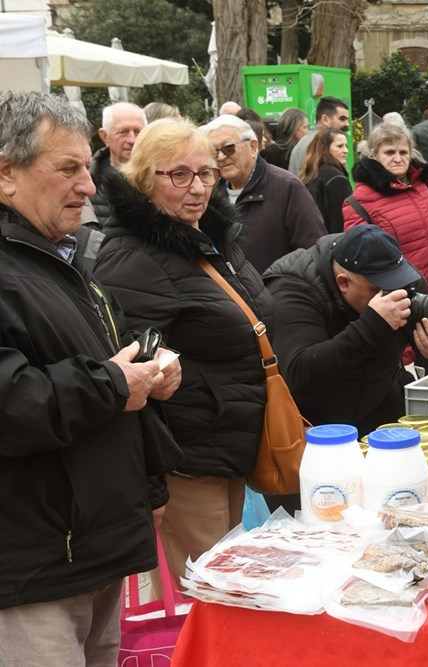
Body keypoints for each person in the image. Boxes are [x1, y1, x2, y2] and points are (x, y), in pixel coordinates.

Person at [0, 91, 181, 663]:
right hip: (35, 569)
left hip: (95, 548)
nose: (89, 185)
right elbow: (12, 402)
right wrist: (113, 384)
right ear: (6, 174)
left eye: (87, 166)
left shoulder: (63, 259)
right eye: (68, 169)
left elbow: (105, 368)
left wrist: (147, 375)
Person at [95, 117, 275, 588]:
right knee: (206, 595)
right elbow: (132, 359)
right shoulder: (133, 255)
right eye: (179, 175)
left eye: (206, 173)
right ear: (143, 179)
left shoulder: (209, 239)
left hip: (228, 444)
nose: (197, 188)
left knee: (228, 585)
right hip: (189, 459)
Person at [264, 224, 428, 437]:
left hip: (384, 403)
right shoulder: (294, 288)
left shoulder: (397, 275)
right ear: (343, 282)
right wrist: (373, 324)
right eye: (377, 290)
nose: (389, 294)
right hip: (320, 430)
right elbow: (299, 375)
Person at [342, 122, 428, 304]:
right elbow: (360, 263)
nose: (398, 158)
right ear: (374, 155)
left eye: (403, 152)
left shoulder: (424, 184)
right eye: (389, 152)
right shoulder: (359, 202)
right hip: (403, 303)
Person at [202, 114, 325, 273]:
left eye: (229, 148)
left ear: (253, 147)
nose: (221, 157)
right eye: (214, 151)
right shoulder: (211, 192)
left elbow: (312, 253)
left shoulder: (287, 187)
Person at [90, 102, 147, 226]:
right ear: (105, 136)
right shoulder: (87, 182)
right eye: (123, 132)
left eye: (138, 132)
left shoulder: (159, 180)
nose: (132, 140)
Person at [300, 126, 352, 234]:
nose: (346, 151)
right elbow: (342, 221)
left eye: (346, 146)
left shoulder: (313, 173)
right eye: (339, 146)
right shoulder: (336, 178)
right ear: (324, 148)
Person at [288, 96, 351, 178]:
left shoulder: (301, 144)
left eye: (347, 120)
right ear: (325, 119)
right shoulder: (324, 144)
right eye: (342, 119)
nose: (347, 124)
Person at [261, 107, 308, 171]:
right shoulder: (270, 153)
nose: (307, 131)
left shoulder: (304, 149)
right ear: (294, 128)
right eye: (305, 127)